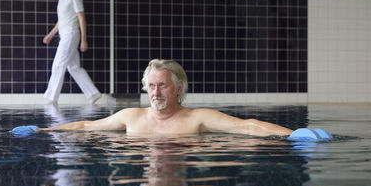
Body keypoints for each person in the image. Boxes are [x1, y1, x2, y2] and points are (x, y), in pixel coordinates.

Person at [37, 59, 293, 136]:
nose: (155, 93)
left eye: (162, 86)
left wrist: (293, 135)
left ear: (178, 89)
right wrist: (44, 130)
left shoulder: (197, 118)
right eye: (151, 86)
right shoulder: (130, 117)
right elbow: (85, 126)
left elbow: (247, 126)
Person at [42, 0, 101, 105]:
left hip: (71, 34)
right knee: (73, 67)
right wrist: (50, 34)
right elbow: (61, 20)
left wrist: (84, 40)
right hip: (64, 34)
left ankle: (51, 97)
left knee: (58, 64)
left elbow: (81, 19)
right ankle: (93, 93)